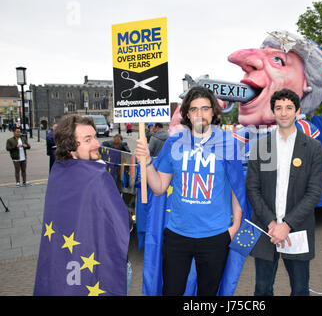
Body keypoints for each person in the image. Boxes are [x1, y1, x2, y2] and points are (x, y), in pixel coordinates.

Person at [135, 86, 244, 296]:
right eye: (194, 109)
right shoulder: (173, 143)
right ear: (186, 114)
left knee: (207, 295)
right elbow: (158, 188)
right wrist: (147, 161)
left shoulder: (228, 143)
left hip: (215, 235)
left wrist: (235, 226)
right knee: (171, 291)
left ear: (213, 112)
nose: (199, 114)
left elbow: (236, 188)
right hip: (178, 235)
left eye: (204, 108)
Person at [34, 115, 130, 296]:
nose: (97, 144)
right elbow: (120, 223)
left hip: (64, 268)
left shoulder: (58, 171)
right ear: (70, 147)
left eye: (95, 137)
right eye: (88, 140)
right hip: (96, 271)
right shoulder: (97, 176)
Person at [245, 89, 322, 296]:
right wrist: (272, 223)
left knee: (299, 289)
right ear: (272, 112)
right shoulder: (263, 146)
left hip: (297, 230)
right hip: (265, 229)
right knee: (262, 288)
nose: (283, 113)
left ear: (297, 111)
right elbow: (253, 188)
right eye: (278, 108)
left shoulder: (313, 148)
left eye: (289, 108)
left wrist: (287, 224)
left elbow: (314, 192)